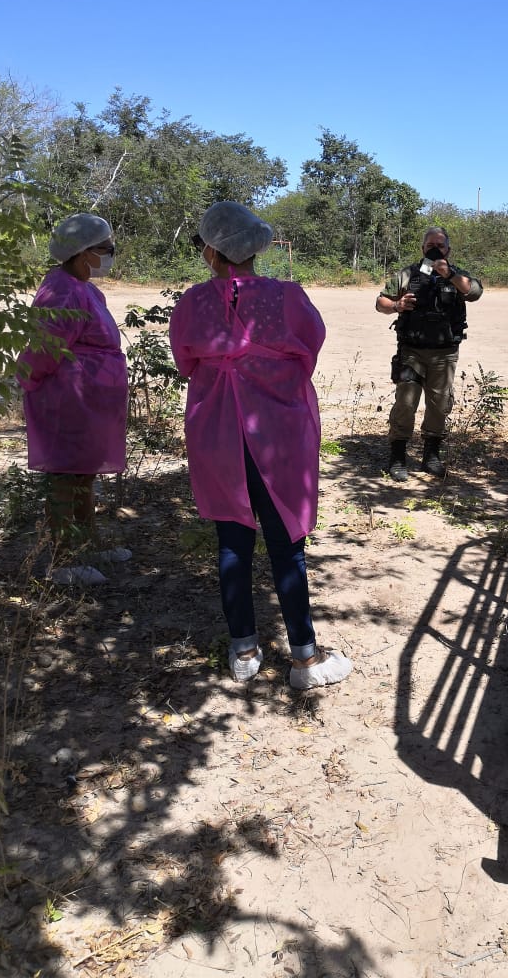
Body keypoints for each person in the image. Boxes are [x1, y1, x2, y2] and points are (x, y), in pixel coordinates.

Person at [168, 201, 352, 689]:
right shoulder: (287, 296)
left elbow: (185, 362)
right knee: (286, 544)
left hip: (216, 432)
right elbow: (310, 348)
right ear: (255, 247)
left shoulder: (192, 302)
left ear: (211, 250)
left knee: (232, 540)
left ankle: (244, 651)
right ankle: (305, 659)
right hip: (278, 434)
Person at [17, 213, 130, 586]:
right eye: (106, 249)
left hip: (87, 403)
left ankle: (88, 544)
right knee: (65, 478)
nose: (110, 255)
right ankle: (63, 560)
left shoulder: (84, 287)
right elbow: (44, 348)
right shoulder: (61, 291)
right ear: (83, 254)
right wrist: (29, 378)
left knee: (84, 473)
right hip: (66, 401)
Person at [375, 227, 483, 481]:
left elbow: (474, 292)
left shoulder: (457, 275)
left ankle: (431, 457)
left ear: (448, 250)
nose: (435, 249)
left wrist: (449, 274)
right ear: (423, 248)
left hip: (444, 354)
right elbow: (380, 302)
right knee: (405, 404)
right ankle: (398, 457)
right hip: (411, 351)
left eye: (440, 245)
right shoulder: (408, 274)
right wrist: (396, 305)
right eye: (430, 245)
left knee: (439, 405)